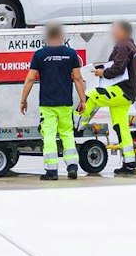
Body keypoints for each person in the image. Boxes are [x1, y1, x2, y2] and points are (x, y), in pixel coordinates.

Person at [19, 23, 86, 180]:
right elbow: (77, 78)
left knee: (49, 135)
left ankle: (51, 170)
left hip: (48, 104)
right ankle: (72, 166)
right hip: (65, 103)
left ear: (47, 36)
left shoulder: (40, 55)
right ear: (61, 36)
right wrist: (83, 100)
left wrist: (23, 100)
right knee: (67, 134)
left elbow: (30, 78)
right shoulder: (71, 54)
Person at [78, 20, 136, 175]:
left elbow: (117, 68)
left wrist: (102, 73)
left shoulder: (123, 46)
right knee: (121, 127)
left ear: (124, 32)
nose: (113, 33)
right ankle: (129, 163)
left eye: (115, 30)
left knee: (92, 95)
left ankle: (77, 125)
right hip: (128, 94)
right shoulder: (132, 47)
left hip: (120, 90)